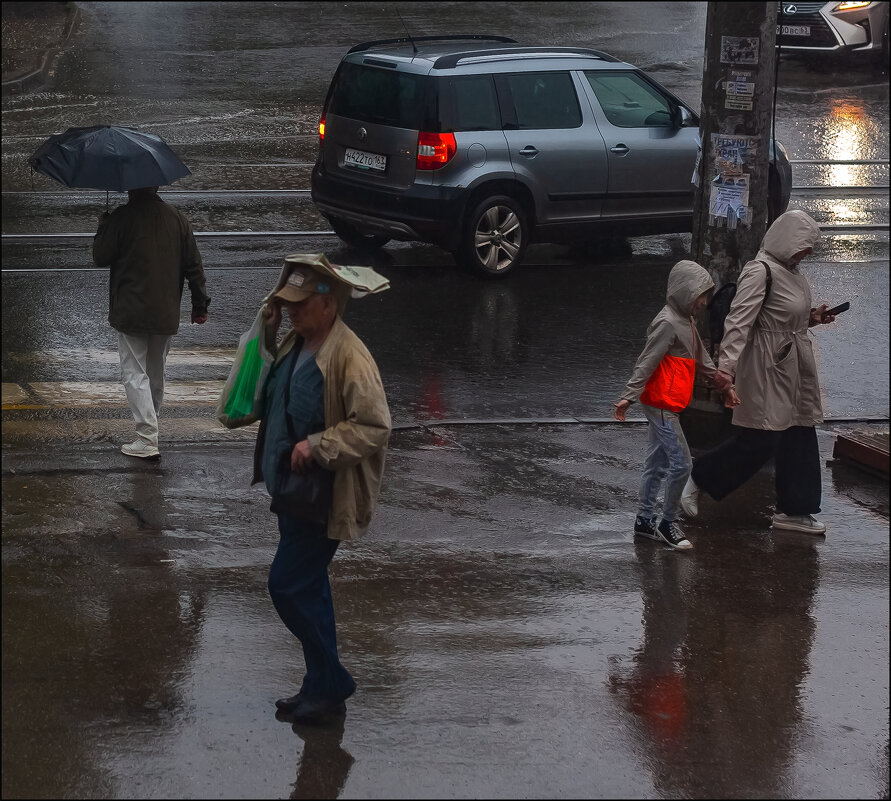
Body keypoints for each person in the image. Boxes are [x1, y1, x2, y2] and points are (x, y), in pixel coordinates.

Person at [252, 259, 391, 725]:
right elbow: (265, 383)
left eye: (299, 303)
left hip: (323, 493)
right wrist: (269, 331)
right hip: (293, 492)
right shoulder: (299, 340)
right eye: (287, 302)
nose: (290, 310)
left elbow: (374, 426)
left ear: (328, 304)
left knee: (286, 585)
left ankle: (331, 680)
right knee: (309, 588)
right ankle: (319, 688)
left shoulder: (350, 356)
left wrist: (317, 445)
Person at [680, 210, 839, 535]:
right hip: (767, 368)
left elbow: (783, 317)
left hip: (792, 366)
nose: (806, 253)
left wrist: (812, 317)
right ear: (786, 240)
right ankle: (700, 477)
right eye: (803, 246)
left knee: (800, 433)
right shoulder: (760, 270)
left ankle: (796, 510)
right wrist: (726, 368)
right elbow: (739, 322)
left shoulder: (791, 272)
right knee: (760, 439)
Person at [614, 260, 739, 551]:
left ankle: (645, 521)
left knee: (657, 464)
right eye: (701, 295)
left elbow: (702, 361)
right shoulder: (668, 322)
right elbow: (647, 362)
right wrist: (628, 396)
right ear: (686, 292)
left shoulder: (687, 322)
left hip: (669, 402)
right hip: (660, 404)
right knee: (682, 464)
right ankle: (667, 522)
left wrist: (726, 387)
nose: (705, 302)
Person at [93, 186, 209, 459]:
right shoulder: (177, 217)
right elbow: (194, 264)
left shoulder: (122, 217)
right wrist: (199, 303)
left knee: (134, 373)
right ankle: (151, 428)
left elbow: (100, 256)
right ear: (156, 186)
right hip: (166, 311)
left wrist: (103, 226)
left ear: (131, 188)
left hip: (131, 311)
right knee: (155, 373)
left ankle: (146, 437)